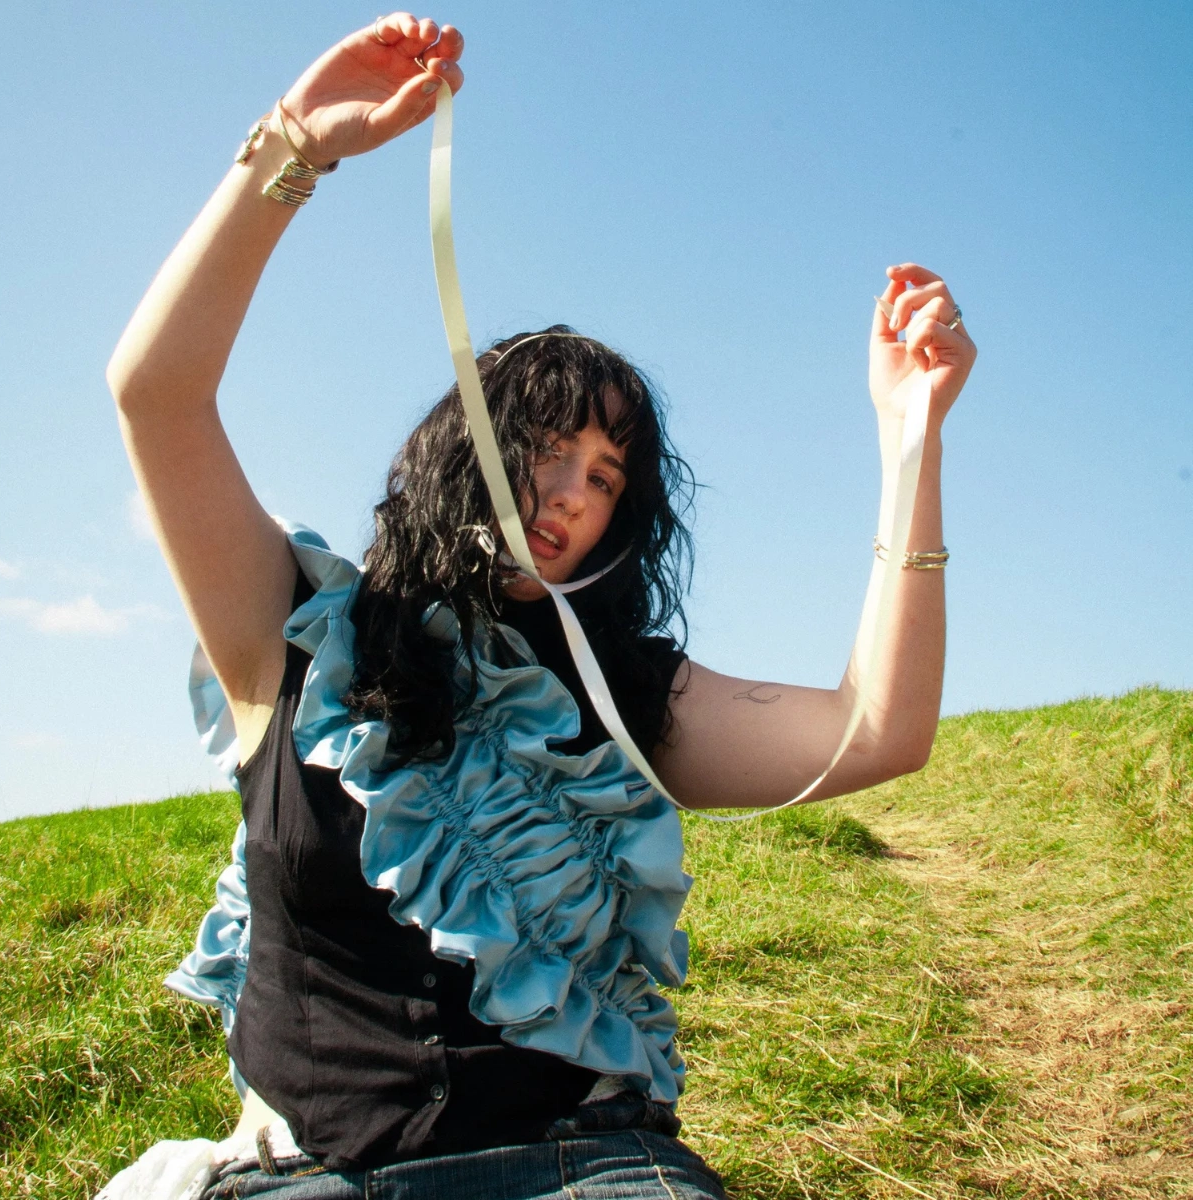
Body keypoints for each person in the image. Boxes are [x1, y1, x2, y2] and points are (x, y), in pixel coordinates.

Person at [104, 12, 977, 1200]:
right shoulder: (289, 630)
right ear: (465, 450)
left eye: (607, 478)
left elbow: (876, 736)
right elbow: (157, 396)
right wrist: (298, 144)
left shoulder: (622, 690)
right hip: (311, 1177)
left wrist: (907, 442)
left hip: (584, 1168)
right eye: (545, 452)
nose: (570, 495)